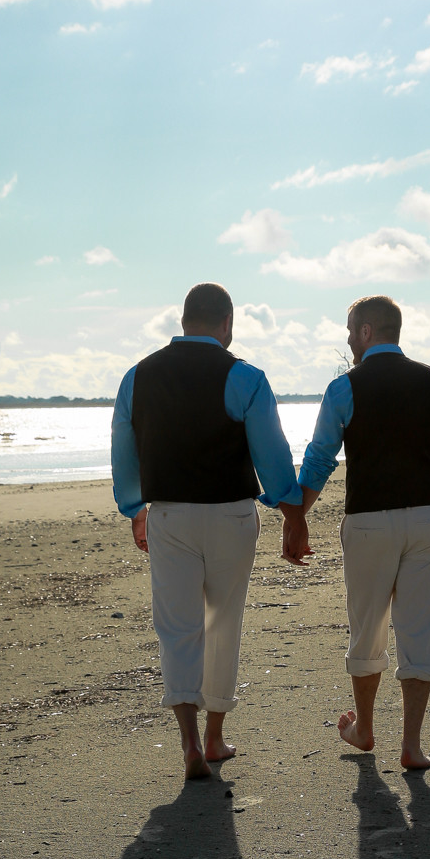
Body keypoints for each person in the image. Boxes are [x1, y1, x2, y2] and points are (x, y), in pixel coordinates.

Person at [111, 282, 306, 780]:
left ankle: (189, 744)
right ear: (227, 324)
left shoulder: (137, 377)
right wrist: (291, 510)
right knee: (223, 622)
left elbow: (124, 451)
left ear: (182, 321)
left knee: (177, 629)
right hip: (230, 515)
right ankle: (216, 736)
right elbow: (273, 455)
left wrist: (135, 508)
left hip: (170, 514)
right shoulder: (244, 376)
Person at [286, 294, 430, 771]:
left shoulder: (344, 388)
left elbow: (321, 458)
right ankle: (411, 745)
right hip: (427, 516)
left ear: (367, 331)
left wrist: (297, 515)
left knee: (368, 629)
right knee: (418, 629)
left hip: (368, 521)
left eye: (350, 330)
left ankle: (364, 728)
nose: (347, 339)